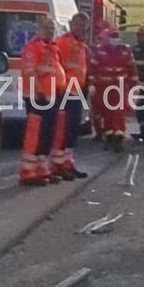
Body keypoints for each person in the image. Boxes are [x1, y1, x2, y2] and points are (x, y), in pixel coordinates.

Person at [18, 16, 67, 186]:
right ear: (38, 29)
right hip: (37, 97)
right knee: (36, 133)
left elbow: (55, 71)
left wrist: (61, 87)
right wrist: (39, 91)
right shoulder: (34, 48)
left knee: (48, 133)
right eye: (47, 28)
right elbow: (30, 72)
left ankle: (42, 168)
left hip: (51, 95)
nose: (50, 31)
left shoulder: (52, 48)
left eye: (52, 28)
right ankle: (29, 171)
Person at [90, 27, 139, 152]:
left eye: (117, 37)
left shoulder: (125, 51)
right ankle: (109, 136)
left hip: (120, 87)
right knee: (107, 113)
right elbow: (93, 68)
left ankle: (118, 137)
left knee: (119, 113)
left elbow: (132, 69)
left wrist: (135, 86)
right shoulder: (100, 51)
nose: (115, 39)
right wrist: (91, 84)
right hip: (103, 87)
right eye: (113, 37)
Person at [55, 12, 91, 179]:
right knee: (63, 130)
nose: (82, 29)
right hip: (64, 92)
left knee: (73, 130)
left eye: (84, 27)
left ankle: (68, 163)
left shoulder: (82, 46)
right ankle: (60, 165)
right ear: (71, 25)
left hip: (77, 92)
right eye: (79, 26)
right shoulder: (62, 43)